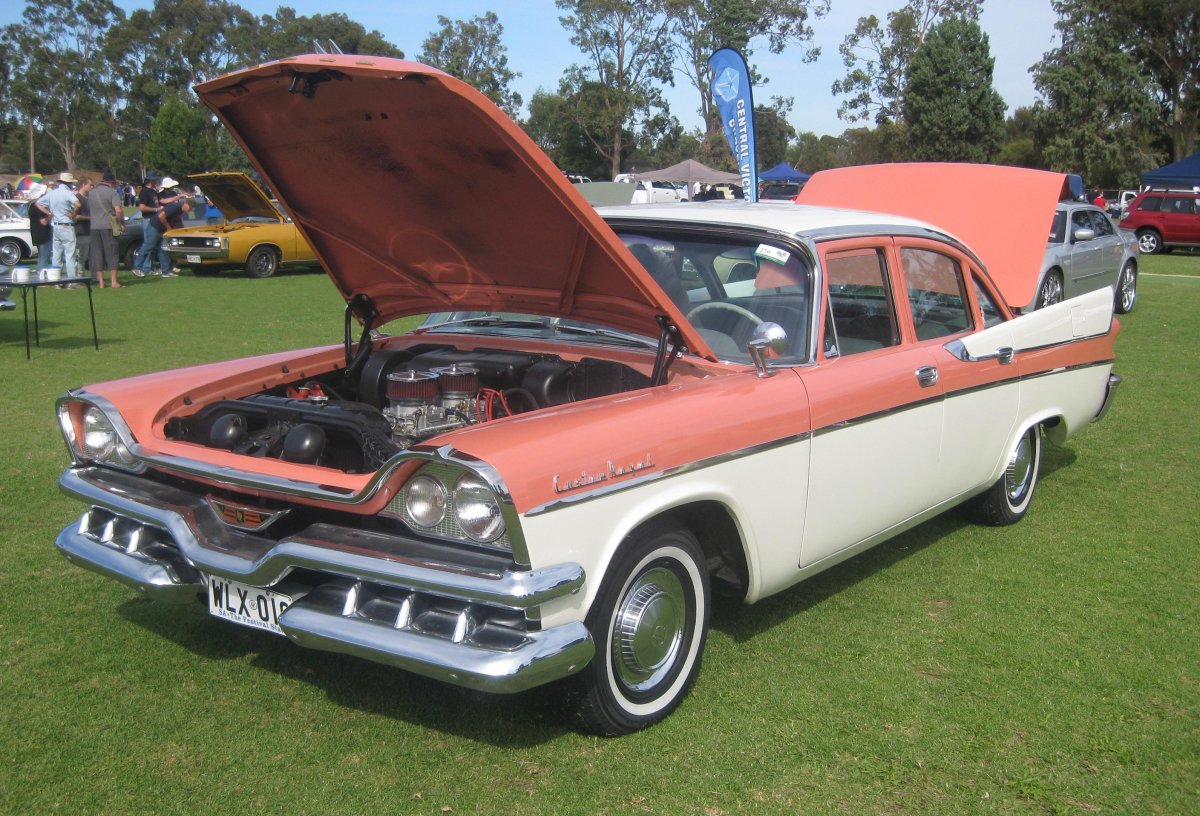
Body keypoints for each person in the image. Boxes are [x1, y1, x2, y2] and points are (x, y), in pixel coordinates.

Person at [37, 172, 81, 278]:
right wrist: (74, 214)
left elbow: (38, 203)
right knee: (70, 254)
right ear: (69, 183)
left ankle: (55, 279)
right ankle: (71, 280)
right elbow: (78, 204)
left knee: (57, 254)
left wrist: (49, 213)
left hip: (56, 225)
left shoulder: (52, 193)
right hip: (67, 225)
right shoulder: (67, 193)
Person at [88, 170, 124, 288]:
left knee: (97, 253)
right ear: (112, 182)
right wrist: (120, 222)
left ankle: (101, 282)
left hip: (94, 227)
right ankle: (114, 281)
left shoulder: (92, 193)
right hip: (108, 226)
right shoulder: (112, 193)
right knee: (112, 253)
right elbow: (118, 210)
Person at [133, 174, 169, 277]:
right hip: (148, 220)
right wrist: (156, 209)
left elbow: (162, 201)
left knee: (156, 246)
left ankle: (150, 268)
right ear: (150, 181)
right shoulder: (144, 191)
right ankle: (141, 267)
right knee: (148, 245)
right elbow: (142, 207)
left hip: (155, 220)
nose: (157, 182)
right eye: (155, 180)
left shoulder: (154, 191)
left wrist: (177, 197)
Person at [73, 176, 95, 274]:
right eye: (90, 185)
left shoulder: (89, 198)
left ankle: (82, 275)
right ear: (83, 185)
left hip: (88, 230)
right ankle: (77, 276)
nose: (92, 187)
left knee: (85, 255)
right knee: (80, 255)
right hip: (80, 230)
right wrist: (90, 218)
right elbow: (75, 216)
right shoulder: (77, 198)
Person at [27, 183, 52, 271]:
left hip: (37, 233)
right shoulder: (36, 206)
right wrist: (51, 215)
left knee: (43, 256)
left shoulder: (30, 204)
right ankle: (41, 276)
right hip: (43, 234)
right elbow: (43, 222)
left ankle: (42, 274)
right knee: (44, 257)